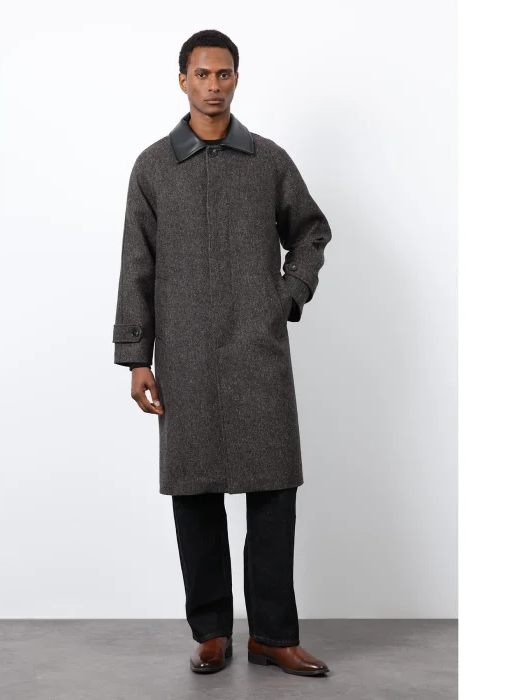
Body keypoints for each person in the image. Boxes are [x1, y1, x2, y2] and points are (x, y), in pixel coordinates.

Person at [113, 29, 332, 676]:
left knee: (273, 493)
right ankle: (210, 631)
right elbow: (136, 265)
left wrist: (287, 295)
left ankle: (273, 634)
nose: (214, 85)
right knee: (194, 493)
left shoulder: (268, 161)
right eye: (203, 74)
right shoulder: (153, 168)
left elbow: (311, 231)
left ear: (237, 79)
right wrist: (137, 356)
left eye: (225, 73)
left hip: (257, 350)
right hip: (183, 356)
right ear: (182, 80)